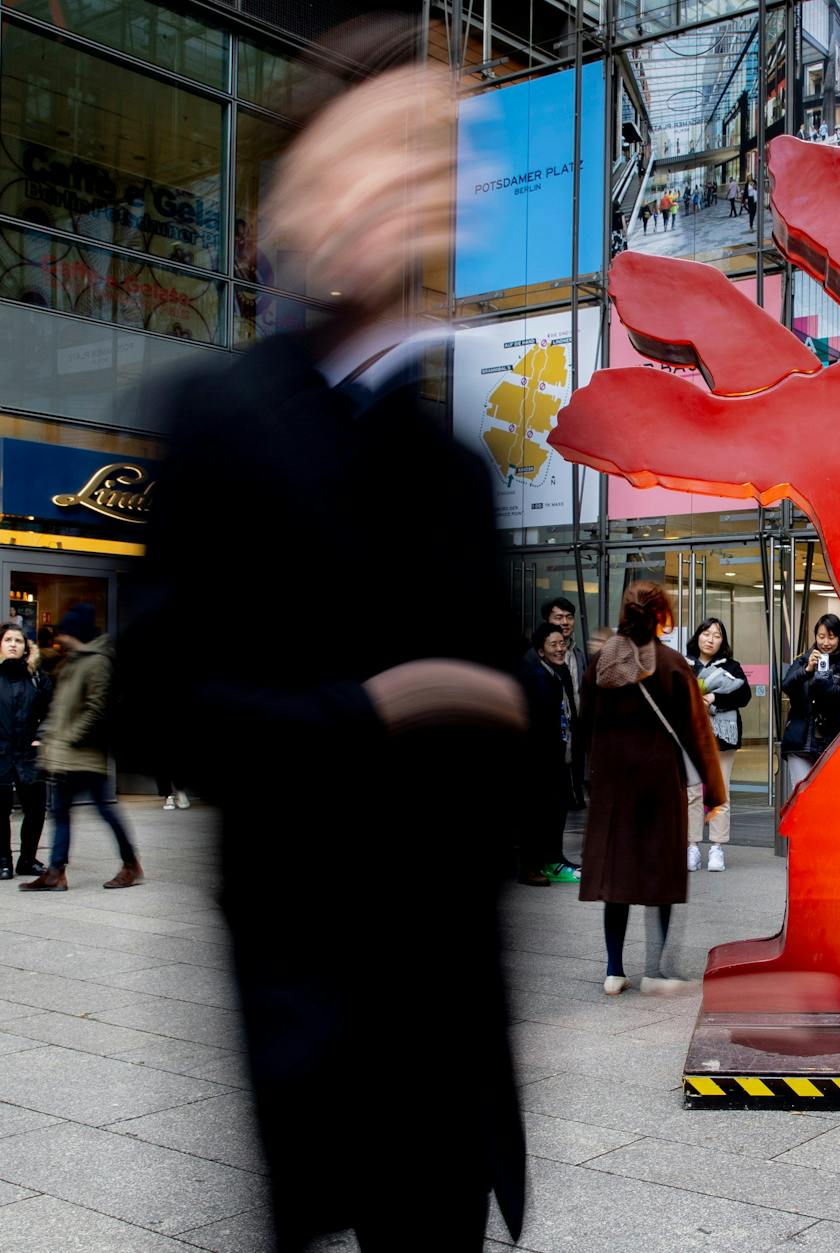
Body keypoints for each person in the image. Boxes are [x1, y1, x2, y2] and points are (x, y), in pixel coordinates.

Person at [114, 51, 528, 1250]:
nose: (405, 195)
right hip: (310, 1025)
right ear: (292, 206)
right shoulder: (218, 417)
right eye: (374, 159)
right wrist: (377, 709)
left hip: (448, 1047)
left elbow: (501, 741)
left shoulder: (452, 468)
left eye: (433, 168)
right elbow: (159, 708)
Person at [578, 582, 724, 995]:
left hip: (613, 788)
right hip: (660, 782)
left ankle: (613, 969)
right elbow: (697, 734)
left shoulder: (601, 663)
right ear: (662, 613)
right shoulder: (674, 663)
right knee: (660, 873)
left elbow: (584, 722)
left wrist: (584, 777)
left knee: (617, 874)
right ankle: (657, 971)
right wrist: (713, 791)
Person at [21, 606, 142, 892]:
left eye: (65, 633)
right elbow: (61, 708)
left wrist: (71, 736)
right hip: (64, 754)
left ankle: (130, 864)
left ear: (77, 633)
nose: (60, 638)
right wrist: (51, 738)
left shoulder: (98, 661)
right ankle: (55, 873)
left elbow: (97, 709)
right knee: (60, 812)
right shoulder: (72, 661)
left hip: (86, 755)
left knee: (105, 811)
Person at [685, 617, 749, 872]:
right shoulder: (684, 664)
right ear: (698, 636)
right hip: (691, 736)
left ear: (723, 641)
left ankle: (716, 848)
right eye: (706, 633)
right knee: (692, 793)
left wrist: (713, 697)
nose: (710, 639)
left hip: (722, 738)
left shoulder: (731, 666)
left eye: (717, 635)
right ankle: (692, 846)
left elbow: (743, 695)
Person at [516, 623, 576, 887]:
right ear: (541, 651)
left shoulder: (558, 672)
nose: (560, 649)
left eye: (562, 643)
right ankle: (530, 867)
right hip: (538, 757)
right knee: (536, 812)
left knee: (557, 808)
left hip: (559, 754)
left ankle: (553, 859)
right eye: (554, 645)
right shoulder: (531, 674)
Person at [777, 614, 840, 803]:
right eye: (821, 636)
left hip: (830, 740)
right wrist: (807, 671)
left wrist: (829, 685)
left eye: (831, 637)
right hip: (800, 740)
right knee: (802, 796)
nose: (826, 642)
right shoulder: (803, 660)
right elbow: (786, 685)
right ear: (815, 636)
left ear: (839, 638)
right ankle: (800, 834)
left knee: (829, 797)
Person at [0, 623, 52, 881]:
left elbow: (54, 711)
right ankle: (3, 861)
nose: (13, 644)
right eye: (8, 639)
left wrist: (41, 737)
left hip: (28, 754)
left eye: (18, 640)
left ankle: (28, 859)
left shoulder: (37, 677)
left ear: (25, 648)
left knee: (35, 808)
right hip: (0, 753)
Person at [542, 596, 588, 814]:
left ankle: (573, 796)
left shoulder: (578, 654)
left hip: (575, 723)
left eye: (569, 617)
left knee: (574, 764)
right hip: (551, 726)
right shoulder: (538, 655)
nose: (565, 622)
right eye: (558, 617)